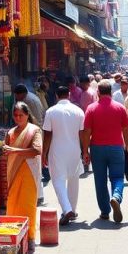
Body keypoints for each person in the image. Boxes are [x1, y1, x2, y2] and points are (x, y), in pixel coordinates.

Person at [82, 80, 128, 223]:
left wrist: (85, 151)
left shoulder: (91, 108)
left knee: (100, 180)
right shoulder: (120, 108)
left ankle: (105, 211)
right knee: (117, 177)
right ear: (110, 92)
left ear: (98, 93)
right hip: (117, 147)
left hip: (97, 148)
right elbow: (126, 129)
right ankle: (116, 197)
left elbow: (87, 132)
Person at [43, 86, 86, 226]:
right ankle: (72, 209)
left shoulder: (51, 111)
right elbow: (82, 134)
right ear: (69, 95)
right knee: (74, 179)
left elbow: (48, 134)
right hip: (74, 149)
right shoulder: (78, 111)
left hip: (57, 150)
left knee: (58, 180)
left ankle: (67, 209)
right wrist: (85, 151)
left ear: (56, 96)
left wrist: (44, 152)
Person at [5, 102, 42, 254]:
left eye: (21, 115)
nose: (18, 118)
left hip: (29, 172)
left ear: (27, 115)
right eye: (16, 115)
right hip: (13, 172)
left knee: (27, 206)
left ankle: (30, 239)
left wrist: (14, 150)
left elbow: (36, 150)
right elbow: (6, 151)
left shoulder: (34, 131)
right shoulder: (10, 133)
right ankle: (13, 237)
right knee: (12, 204)